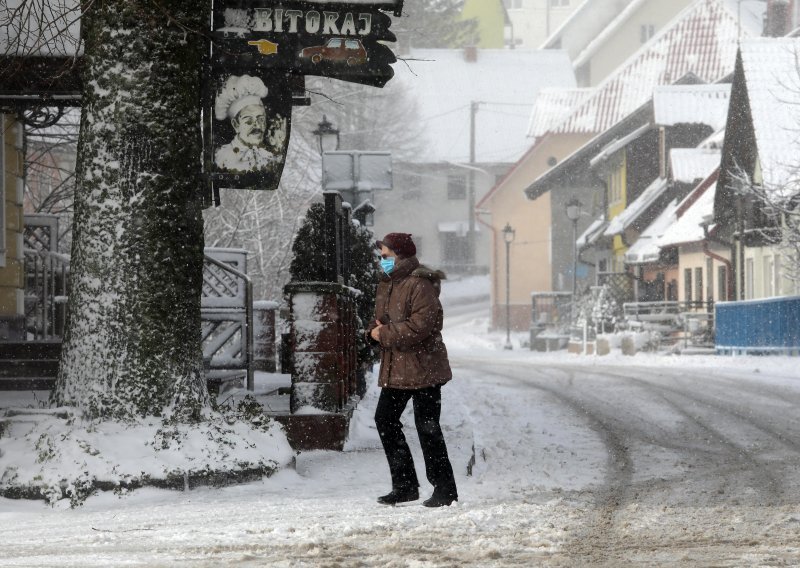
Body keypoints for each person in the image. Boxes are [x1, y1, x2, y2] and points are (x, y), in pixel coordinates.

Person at [368, 232, 458, 507]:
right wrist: (373, 329)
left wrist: (382, 334)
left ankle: (445, 490)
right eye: (380, 257)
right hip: (397, 367)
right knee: (385, 420)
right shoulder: (387, 283)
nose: (381, 261)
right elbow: (386, 321)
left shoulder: (421, 285)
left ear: (401, 256)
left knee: (427, 427)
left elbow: (420, 328)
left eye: (385, 256)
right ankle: (405, 485)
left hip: (425, 368)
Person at [213, 74, 283, 173]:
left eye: (261, 119)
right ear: (235, 124)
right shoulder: (221, 158)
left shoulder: (269, 158)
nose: (258, 126)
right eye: (249, 120)